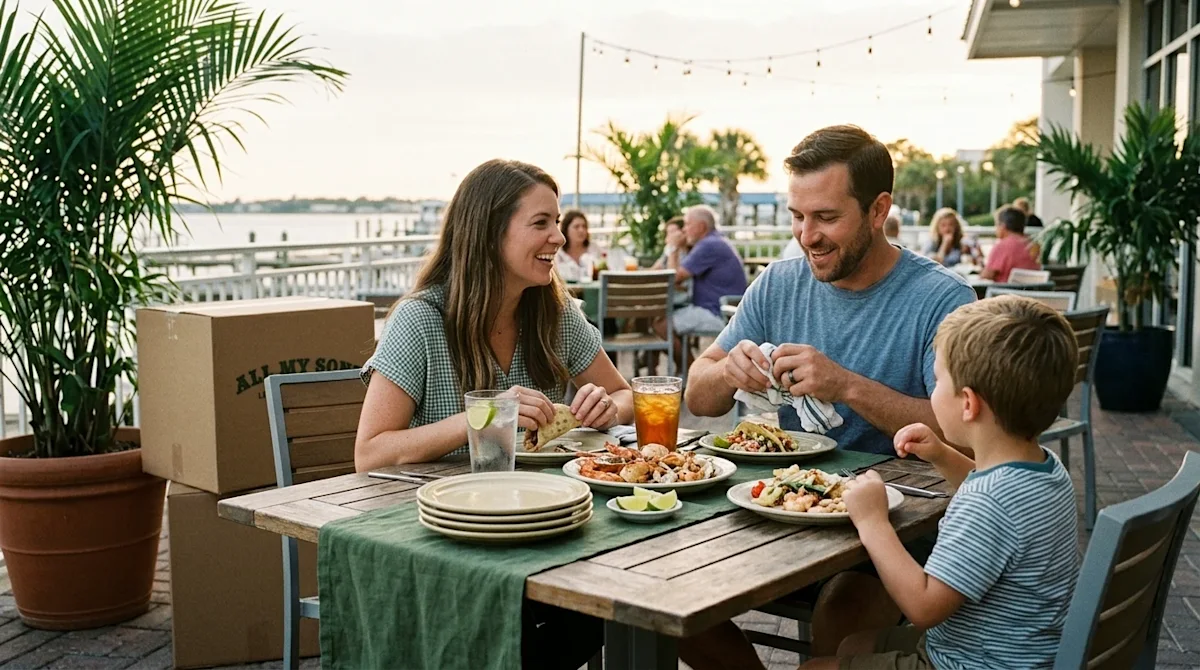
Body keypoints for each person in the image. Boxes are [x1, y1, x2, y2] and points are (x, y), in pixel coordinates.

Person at [680, 125, 975, 668]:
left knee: (840, 617)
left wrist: (846, 385)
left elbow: (965, 433)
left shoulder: (943, 298)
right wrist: (728, 375)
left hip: (895, 523)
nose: (806, 235)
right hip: (773, 505)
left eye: (826, 217)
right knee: (665, 597)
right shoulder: (777, 282)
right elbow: (698, 394)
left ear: (878, 209)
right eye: (797, 215)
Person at [354, 160, 634, 669]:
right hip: (440, 539)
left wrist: (603, 406)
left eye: (557, 222)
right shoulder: (419, 320)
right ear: (489, 231)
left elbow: (626, 395)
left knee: (619, 594)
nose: (558, 237)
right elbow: (370, 454)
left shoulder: (554, 311)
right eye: (541, 223)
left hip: (538, 525)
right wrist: (483, 417)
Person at [801, 296, 1080, 669]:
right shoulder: (1044, 469)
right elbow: (989, 491)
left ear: (967, 404)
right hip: (1012, 650)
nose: (932, 393)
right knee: (852, 643)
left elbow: (923, 607)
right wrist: (941, 455)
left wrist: (873, 523)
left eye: (938, 380)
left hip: (967, 662)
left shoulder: (987, 504)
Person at [980, 205, 1041, 283]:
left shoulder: (1002, 246)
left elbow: (987, 275)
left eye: (996, 224)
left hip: (1004, 293)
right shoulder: (1034, 245)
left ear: (1003, 226)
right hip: (1029, 293)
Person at [553, 209, 595, 281]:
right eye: (576, 227)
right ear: (566, 229)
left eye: (584, 226)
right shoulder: (557, 253)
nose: (581, 230)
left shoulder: (594, 249)